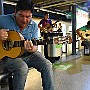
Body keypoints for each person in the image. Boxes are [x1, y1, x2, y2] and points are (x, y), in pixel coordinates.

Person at [0, 0, 54, 90]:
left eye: (28, 16)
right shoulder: (3, 20)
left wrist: (31, 48)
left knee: (47, 65)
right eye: (21, 16)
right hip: (8, 56)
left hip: (28, 54)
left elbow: (35, 47)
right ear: (15, 12)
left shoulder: (34, 26)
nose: (24, 20)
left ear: (31, 15)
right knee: (22, 67)